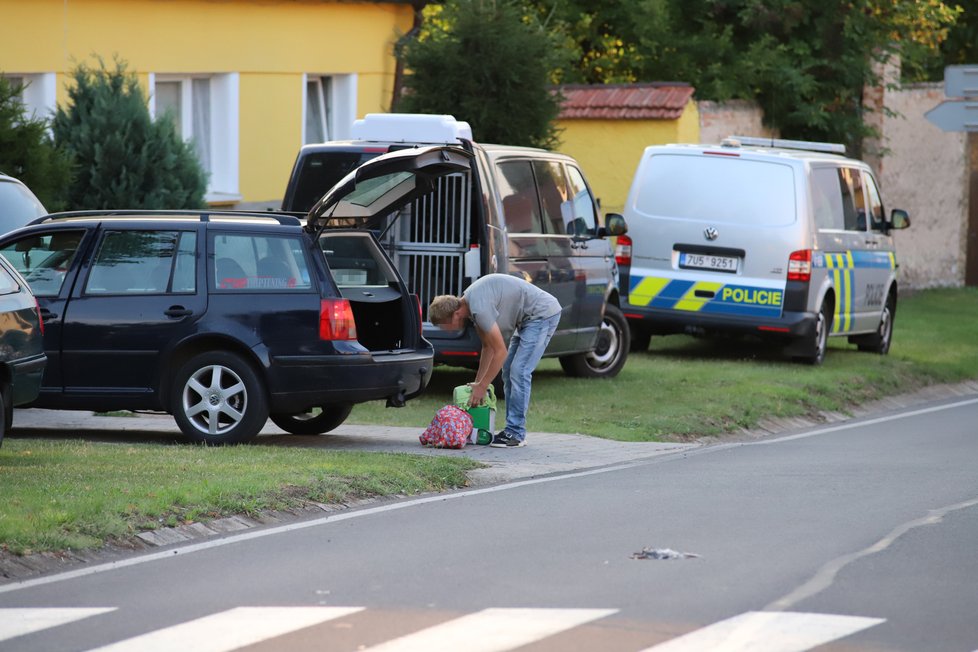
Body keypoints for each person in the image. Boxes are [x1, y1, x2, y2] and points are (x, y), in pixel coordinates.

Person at [428, 274, 561, 448]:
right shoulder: (471, 305)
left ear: (455, 314)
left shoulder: (479, 309)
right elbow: (487, 348)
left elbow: (500, 352)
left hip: (541, 314)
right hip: (527, 320)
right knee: (508, 370)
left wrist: (483, 386)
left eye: (443, 326)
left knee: (519, 371)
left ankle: (515, 433)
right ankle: (512, 430)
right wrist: (477, 384)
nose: (445, 331)